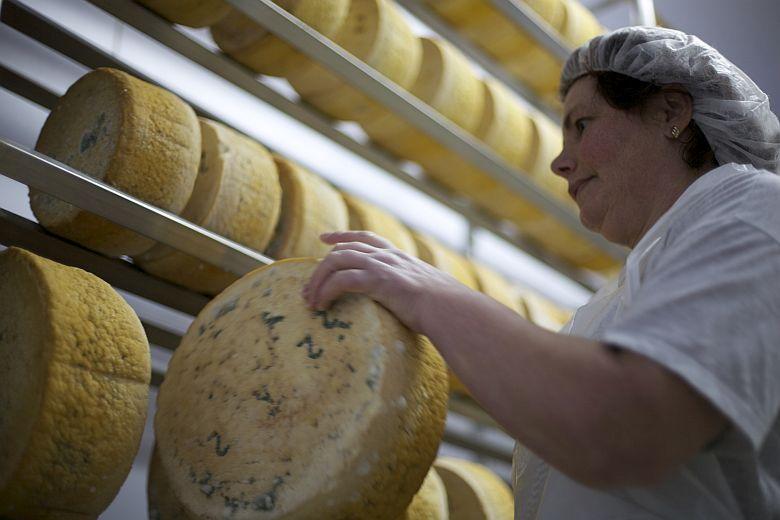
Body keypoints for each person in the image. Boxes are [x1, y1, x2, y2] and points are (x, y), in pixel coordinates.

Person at [302, 26, 780, 519]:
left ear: (670, 112)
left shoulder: (759, 212)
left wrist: (430, 296)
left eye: (583, 125)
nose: (559, 161)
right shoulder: (608, 308)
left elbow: (624, 427)